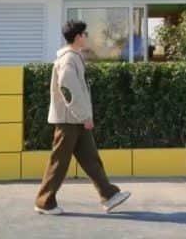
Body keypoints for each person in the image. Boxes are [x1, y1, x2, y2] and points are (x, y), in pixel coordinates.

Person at [35, 20, 131, 215]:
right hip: (68, 120)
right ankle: (44, 202)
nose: (87, 37)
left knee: (90, 159)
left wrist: (83, 116)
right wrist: (83, 115)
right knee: (59, 162)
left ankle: (109, 195)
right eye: (84, 34)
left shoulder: (74, 57)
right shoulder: (68, 59)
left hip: (75, 119)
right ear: (78, 37)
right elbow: (68, 88)